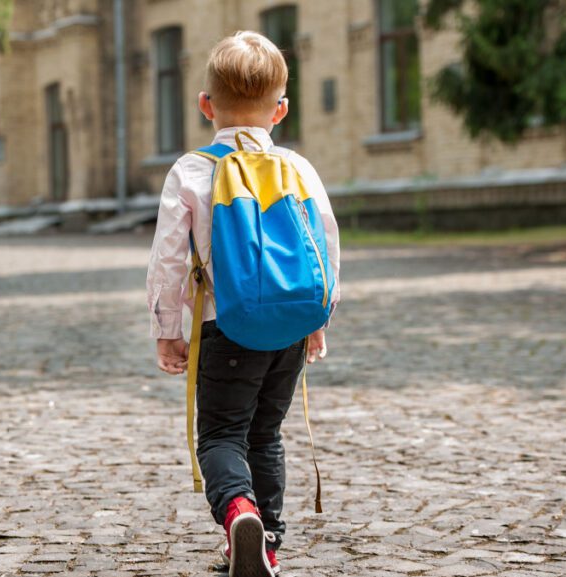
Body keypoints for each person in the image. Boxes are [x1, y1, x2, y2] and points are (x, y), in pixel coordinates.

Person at [146, 30, 341, 576]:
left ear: (206, 105)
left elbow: (167, 257)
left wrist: (168, 327)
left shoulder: (191, 170)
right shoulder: (298, 169)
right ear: (281, 110)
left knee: (221, 434)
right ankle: (268, 545)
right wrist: (318, 319)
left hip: (224, 327)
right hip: (289, 331)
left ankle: (238, 512)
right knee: (266, 435)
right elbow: (326, 244)